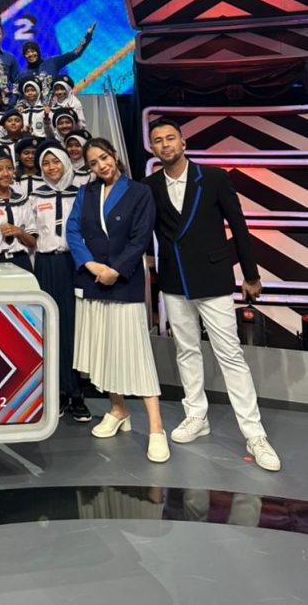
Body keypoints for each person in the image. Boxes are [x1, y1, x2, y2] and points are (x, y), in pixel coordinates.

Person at [145, 117, 281, 472]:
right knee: (186, 351)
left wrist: (250, 274)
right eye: (158, 140)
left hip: (214, 278)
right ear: (152, 147)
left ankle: (254, 433)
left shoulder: (214, 177)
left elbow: (238, 225)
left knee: (230, 354)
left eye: (170, 138)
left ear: (183, 142)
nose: (165, 144)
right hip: (174, 279)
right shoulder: (150, 186)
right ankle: (196, 415)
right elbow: (146, 231)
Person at [66, 137, 169, 463]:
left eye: (104, 158)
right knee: (104, 351)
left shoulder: (139, 192)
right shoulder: (86, 193)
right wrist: (91, 265)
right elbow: (72, 231)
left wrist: (116, 270)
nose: (101, 166)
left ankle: (156, 428)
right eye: (93, 163)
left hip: (124, 282)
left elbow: (141, 238)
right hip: (93, 280)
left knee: (136, 355)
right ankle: (118, 408)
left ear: (114, 155)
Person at [32, 142, 90, 422]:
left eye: (56, 161)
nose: (51, 167)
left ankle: (76, 393)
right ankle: (56, 392)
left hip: (73, 264)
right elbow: (31, 236)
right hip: (46, 264)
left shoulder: (81, 194)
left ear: (66, 163)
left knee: (72, 327)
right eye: (46, 163)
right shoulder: (34, 196)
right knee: (48, 327)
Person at [21, 26, 96, 103]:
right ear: (24, 56)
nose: (30, 54)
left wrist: (88, 35)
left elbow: (75, 53)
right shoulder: (24, 74)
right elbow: (20, 96)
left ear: (38, 52)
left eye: (33, 51)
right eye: (27, 53)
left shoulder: (52, 63)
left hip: (56, 105)